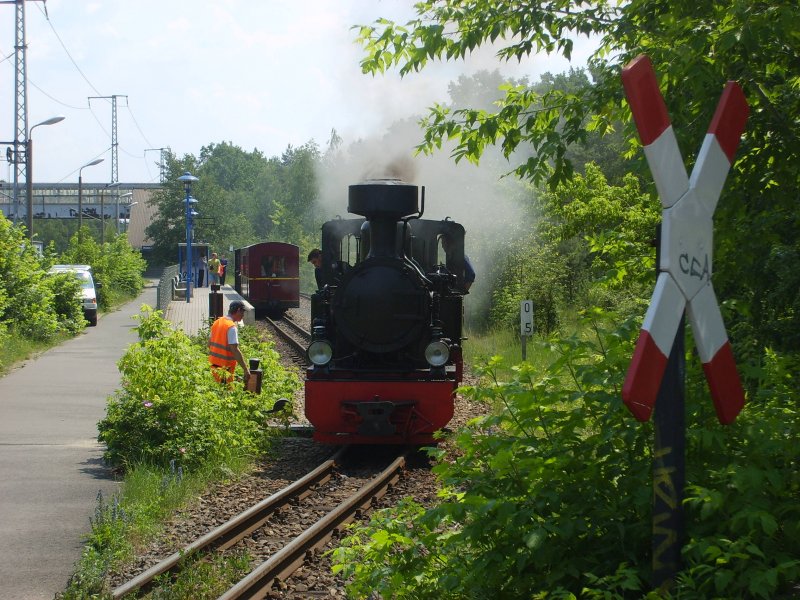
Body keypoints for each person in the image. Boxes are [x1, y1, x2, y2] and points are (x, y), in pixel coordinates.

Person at [208, 300, 251, 385]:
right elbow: (234, 350)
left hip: (213, 365)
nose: (243, 315)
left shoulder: (217, 322)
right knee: (225, 393)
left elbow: (209, 344)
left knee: (215, 390)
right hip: (225, 368)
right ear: (238, 310)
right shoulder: (231, 327)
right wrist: (246, 369)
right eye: (243, 312)